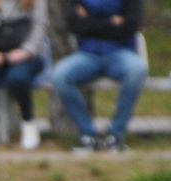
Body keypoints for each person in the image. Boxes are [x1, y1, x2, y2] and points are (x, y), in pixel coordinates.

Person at [49, 0, 146, 152]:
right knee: (60, 76)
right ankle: (88, 134)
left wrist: (90, 22)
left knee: (137, 70)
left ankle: (115, 134)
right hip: (87, 54)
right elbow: (75, 26)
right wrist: (111, 22)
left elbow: (131, 26)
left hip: (120, 52)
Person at [0, 0, 48, 150]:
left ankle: (28, 121)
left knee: (18, 78)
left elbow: (40, 25)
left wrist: (26, 51)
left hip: (28, 54)